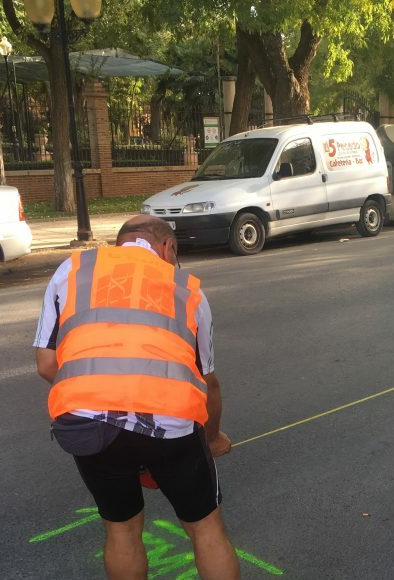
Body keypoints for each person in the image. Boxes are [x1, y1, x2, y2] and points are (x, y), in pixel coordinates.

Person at [33, 215, 240, 580]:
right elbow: (208, 382)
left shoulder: (73, 269)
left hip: (88, 421)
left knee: (121, 529)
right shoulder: (187, 288)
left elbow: (47, 364)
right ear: (168, 247)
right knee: (205, 528)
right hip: (170, 419)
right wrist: (212, 439)